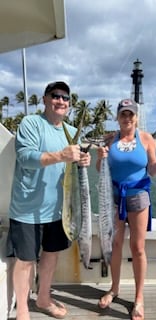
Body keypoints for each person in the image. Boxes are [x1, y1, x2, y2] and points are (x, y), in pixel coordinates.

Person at [6, 81, 91, 320]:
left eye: (66, 98)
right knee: (25, 261)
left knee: (51, 255)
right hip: (27, 208)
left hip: (60, 210)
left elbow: (74, 160)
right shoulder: (31, 123)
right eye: (56, 96)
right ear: (44, 99)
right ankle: (23, 309)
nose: (61, 101)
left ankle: (43, 299)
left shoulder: (73, 131)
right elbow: (25, 157)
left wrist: (81, 161)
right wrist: (61, 155)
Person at [96, 98, 156, 320]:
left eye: (131, 114)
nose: (127, 118)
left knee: (138, 248)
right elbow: (100, 169)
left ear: (136, 117)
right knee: (115, 244)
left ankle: (139, 298)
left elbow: (151, 169)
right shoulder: (110, 139)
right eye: (123, 114)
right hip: (113, 197)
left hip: (139, 196)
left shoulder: (146, 138)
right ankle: (114, 288)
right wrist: (100, 158)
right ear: (118, 117)